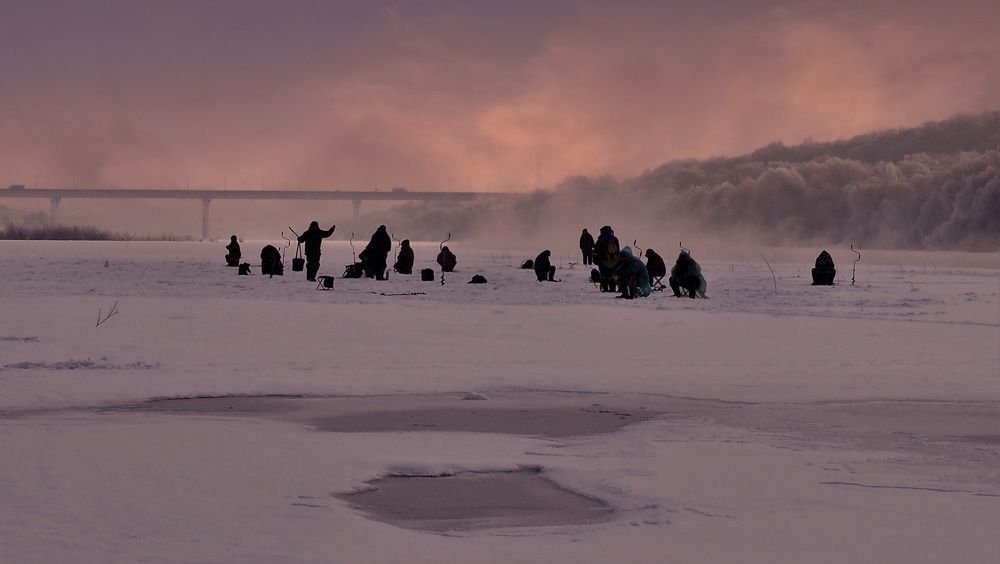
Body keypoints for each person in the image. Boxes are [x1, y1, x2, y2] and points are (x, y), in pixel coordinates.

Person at [593, 226, 620, 292]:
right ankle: (612, 289)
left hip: (603, 261)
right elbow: (618, 251)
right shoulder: (615, 239)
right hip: (613, 262)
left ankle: (605, 289)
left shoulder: (600, 240)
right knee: (612, 276)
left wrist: (596, 261)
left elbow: (596, 252)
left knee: (604, 276)